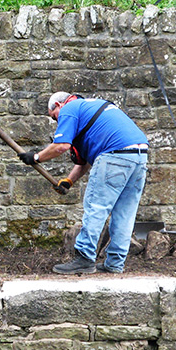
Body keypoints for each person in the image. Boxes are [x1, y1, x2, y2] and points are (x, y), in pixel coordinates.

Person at [18, 92, 149, 274]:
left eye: (54, 117)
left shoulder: (69, 108)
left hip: (114, 154)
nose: (57, 122)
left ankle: (84, 258)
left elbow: (61, 146)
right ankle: (114, 264)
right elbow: (85, 162)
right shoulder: (92, 109)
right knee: (125, 213)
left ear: (58, 104)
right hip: (139, 156)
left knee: (96, 206)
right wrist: (69, 181)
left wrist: (36, 157)